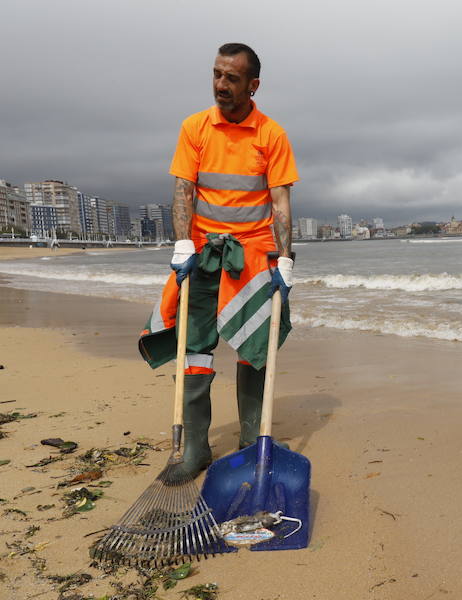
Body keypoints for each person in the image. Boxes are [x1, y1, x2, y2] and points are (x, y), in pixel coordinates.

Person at [139, 42, 299, 479]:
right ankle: (195, 450)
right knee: (194, 348)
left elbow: (280, 199)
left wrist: (284, 258)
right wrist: (181, 243)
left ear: (253, 85)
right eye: (216, 74)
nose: (220, 85)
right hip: (204, 254)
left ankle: (251, 440)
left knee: (254, 346)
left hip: (253, 255)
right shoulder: (195, 127)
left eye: (231, 78)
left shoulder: (271, 134)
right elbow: (183, 190)